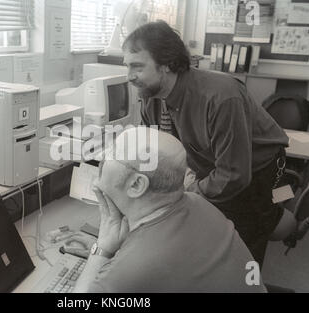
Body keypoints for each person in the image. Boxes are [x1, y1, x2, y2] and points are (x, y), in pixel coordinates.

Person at [122, 21, 289, 267]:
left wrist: (184, 194)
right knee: (201, 225)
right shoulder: (151, 97)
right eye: (127, 67)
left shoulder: (221, 97)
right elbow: (156, 152)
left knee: (242, 242)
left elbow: (233, 174)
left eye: (137, 66)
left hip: (257, 168)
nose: (129, 77)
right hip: (212, 163)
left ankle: (271, 230)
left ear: (167, 64)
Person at [73, 127, 266, 293]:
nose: (102, 158)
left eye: (111, 154)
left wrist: (103, 248)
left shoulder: (137, 265)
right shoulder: (198, 203)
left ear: (136, 184)